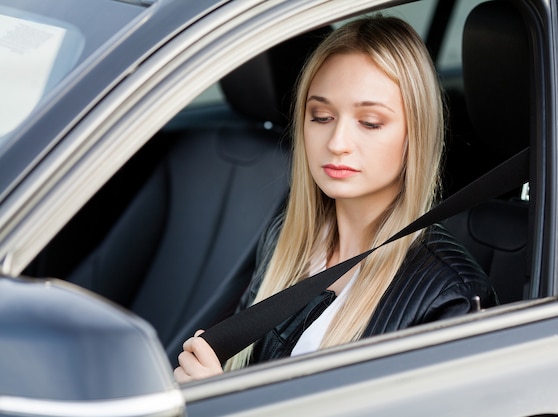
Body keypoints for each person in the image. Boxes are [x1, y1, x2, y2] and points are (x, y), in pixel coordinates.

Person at [174, 15, 496, 383]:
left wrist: (221, 401)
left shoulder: (450, 295)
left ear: (415, 136)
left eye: (370, 122)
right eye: (321, 116)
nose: (337, 143)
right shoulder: (285, 240)